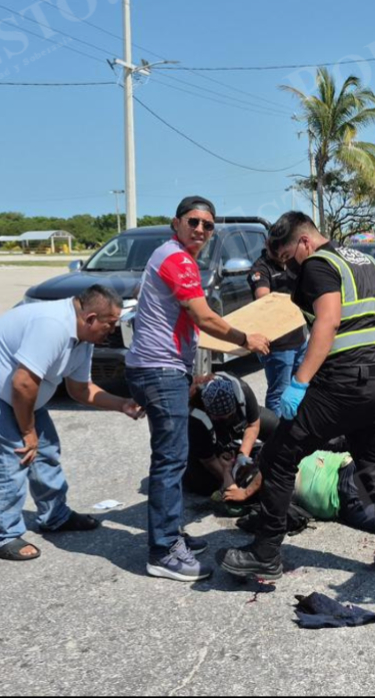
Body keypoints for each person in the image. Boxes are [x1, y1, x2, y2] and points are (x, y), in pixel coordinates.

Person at [218, 212, 375, 585]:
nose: (292, 266)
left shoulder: (318, 264)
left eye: (290, 256)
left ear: (305, 242)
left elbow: (327, 322)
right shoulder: (366, 260)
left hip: (345, 382)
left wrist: (299, 382)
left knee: (278, 457)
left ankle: (264, 554)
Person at [125, 196, 270, 583]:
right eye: (194, 222)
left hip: (162, 368)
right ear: (177, 223)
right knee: (170, 461)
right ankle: (162, 551)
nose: (202, 230)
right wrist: (246, 338)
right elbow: (203, 317)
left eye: (208, 225)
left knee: (172, 456)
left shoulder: (172, 256)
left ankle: (169, 533)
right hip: (160, 369)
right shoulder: (175, 258)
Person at [0, 285, 145, 562]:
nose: (112, 330)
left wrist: (121, 403)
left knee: (46, 451)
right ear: (90, 318)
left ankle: (55, 516)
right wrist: (28, 432)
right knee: (11, 458)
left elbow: (80, 390)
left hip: (21, 394)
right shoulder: (53, 325)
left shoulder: (83, 338)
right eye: (110, 324)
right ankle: (3, 536)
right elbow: (23, 383)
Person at [226, 450, 375, 539]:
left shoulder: (273, 463)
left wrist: (243, 492)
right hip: (349, 479)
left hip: (347, 485)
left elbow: (267, 468)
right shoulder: (280, 465)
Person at [184, 372, 278, 496]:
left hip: (239, 421)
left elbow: (253, 425)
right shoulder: (196, 418)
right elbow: (208, 460)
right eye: (221, 417)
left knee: (277, 428)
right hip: (208, 437)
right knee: (203, 485)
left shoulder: (242, 390)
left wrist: (242, 455)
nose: (226, 419)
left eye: (229, 415)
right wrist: (230, 479)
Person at [249, 245, 308, 415]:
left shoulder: (291, 263)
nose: (283, 256)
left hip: (299, 339)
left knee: (301, 389)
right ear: (269, 245)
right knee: (279, 394)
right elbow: (263, 298)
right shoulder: (261, 267)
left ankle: (297, 432)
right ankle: (277, 436)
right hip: (278, 346)